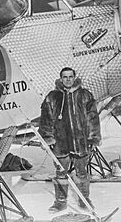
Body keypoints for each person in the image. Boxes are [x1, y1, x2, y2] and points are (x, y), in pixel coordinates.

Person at [38, 67, 101, 213]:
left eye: (70, 76)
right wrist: (47, 138)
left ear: (74, 78)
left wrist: (93, 138)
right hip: (61, 143)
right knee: (61, 173)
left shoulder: (85, 95)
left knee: (82, 173)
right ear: (60, 79)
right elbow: (46, 120)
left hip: (80, 141)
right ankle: (60, 202)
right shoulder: (52, 97)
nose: (67, 79)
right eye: (64, 77)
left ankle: (84, 199)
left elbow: (93, 118)